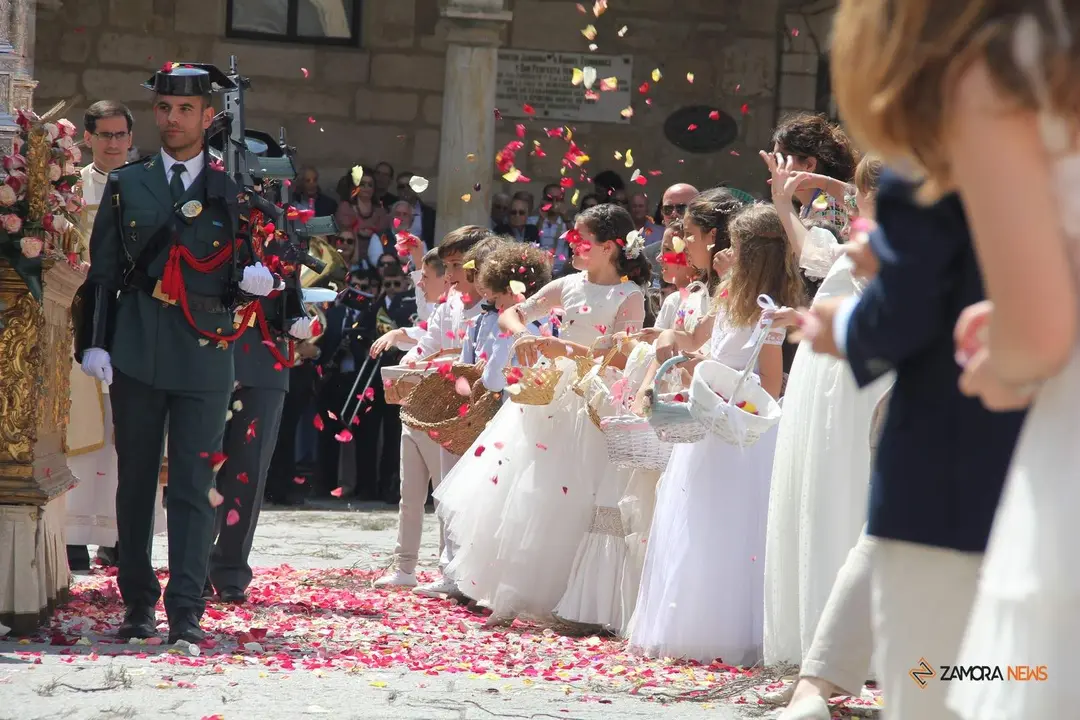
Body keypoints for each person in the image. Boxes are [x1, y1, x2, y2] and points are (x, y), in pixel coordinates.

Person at [797, 169, 1027, 720]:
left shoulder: (931, 176)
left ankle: (817, 686)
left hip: (953, 433)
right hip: (1040, 441)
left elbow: (908, 308)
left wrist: (845, 325)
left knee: (926, 664)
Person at [77, 64, 277, 644]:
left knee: (192, 484)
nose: (173, 119)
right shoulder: (128, 183)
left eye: (185, 109)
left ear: (208, 117)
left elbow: (247, 266)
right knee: (136, 482)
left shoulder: (230, 187)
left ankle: (186, 606)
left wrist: (258, 283)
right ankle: (137, 602)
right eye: (164, 108)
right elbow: (104, 271)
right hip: (137, 346)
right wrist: (94, 341)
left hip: (204, 351)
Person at [436, 204, 647, 624]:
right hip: (550, 394)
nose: (571, 245)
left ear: (608, 248)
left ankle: (571, 599)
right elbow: (513, 312)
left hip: (592, 397)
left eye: (581, 240)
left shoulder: (629, 296)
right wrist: (525, 336)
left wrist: (566, 348)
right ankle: (512, 594)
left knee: (579, 496)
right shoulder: (567, 284)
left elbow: (625, 359)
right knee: (530, 490)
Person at [628, 203, 804, 666]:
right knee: (696, 520)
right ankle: (690, 624)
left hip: (741, 433)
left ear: (754, 255)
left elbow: (769, 385)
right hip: (709, 423)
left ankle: (731, 632)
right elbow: (699, 342)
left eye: (737, 247)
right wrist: (679, 350)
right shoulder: (728, 297)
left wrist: (711, 373)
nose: (728, 253)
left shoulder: (767, 313)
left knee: (731, 527)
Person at [762, 153, 891, 669]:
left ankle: (845, 645)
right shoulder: (873, 239)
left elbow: (863, 305)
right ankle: (829, 640)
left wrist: (799, 195)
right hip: (828, 379)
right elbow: (815, 250)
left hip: (849, 381)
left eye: (857, 190)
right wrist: (788, 199)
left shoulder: (886, 244)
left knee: (840, 487)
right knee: (824, 486)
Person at [66, 100, 166, 572]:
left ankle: (122, 536)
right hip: (76, 315)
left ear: (131, 137)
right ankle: (73, 534)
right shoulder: (69, 188)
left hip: (131, 318)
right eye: (104, 135)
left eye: (120, 134)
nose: (113, 143)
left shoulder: (148, 184)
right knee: (77, 427)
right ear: (87, 138)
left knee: (129, 430)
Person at [369, 226, 493, 594]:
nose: (451, 275)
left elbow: (476, 359)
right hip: (423, 404)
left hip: (459, 414)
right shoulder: (449, 304)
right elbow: (426, 345)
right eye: (449, 266)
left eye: (455, 266)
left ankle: (450, 570)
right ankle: (405, 566)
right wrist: (408, 366)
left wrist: (442, 363)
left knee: (447, 494)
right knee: (410, 494)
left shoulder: (489, 306)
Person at [206, 208, 317, 603]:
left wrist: (297, 319)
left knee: (249, 471)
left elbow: (290, 292)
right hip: (211, 350)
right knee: (203, 468)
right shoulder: (209, 216)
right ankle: (193, 565)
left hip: (265, 360)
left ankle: (231, 569)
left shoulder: (282, 232)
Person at [396, 171, 436, 247]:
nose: (406, 189)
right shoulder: (389, 211)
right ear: (398, 190)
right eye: (401, 186)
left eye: (409, 186)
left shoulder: (429, 214)